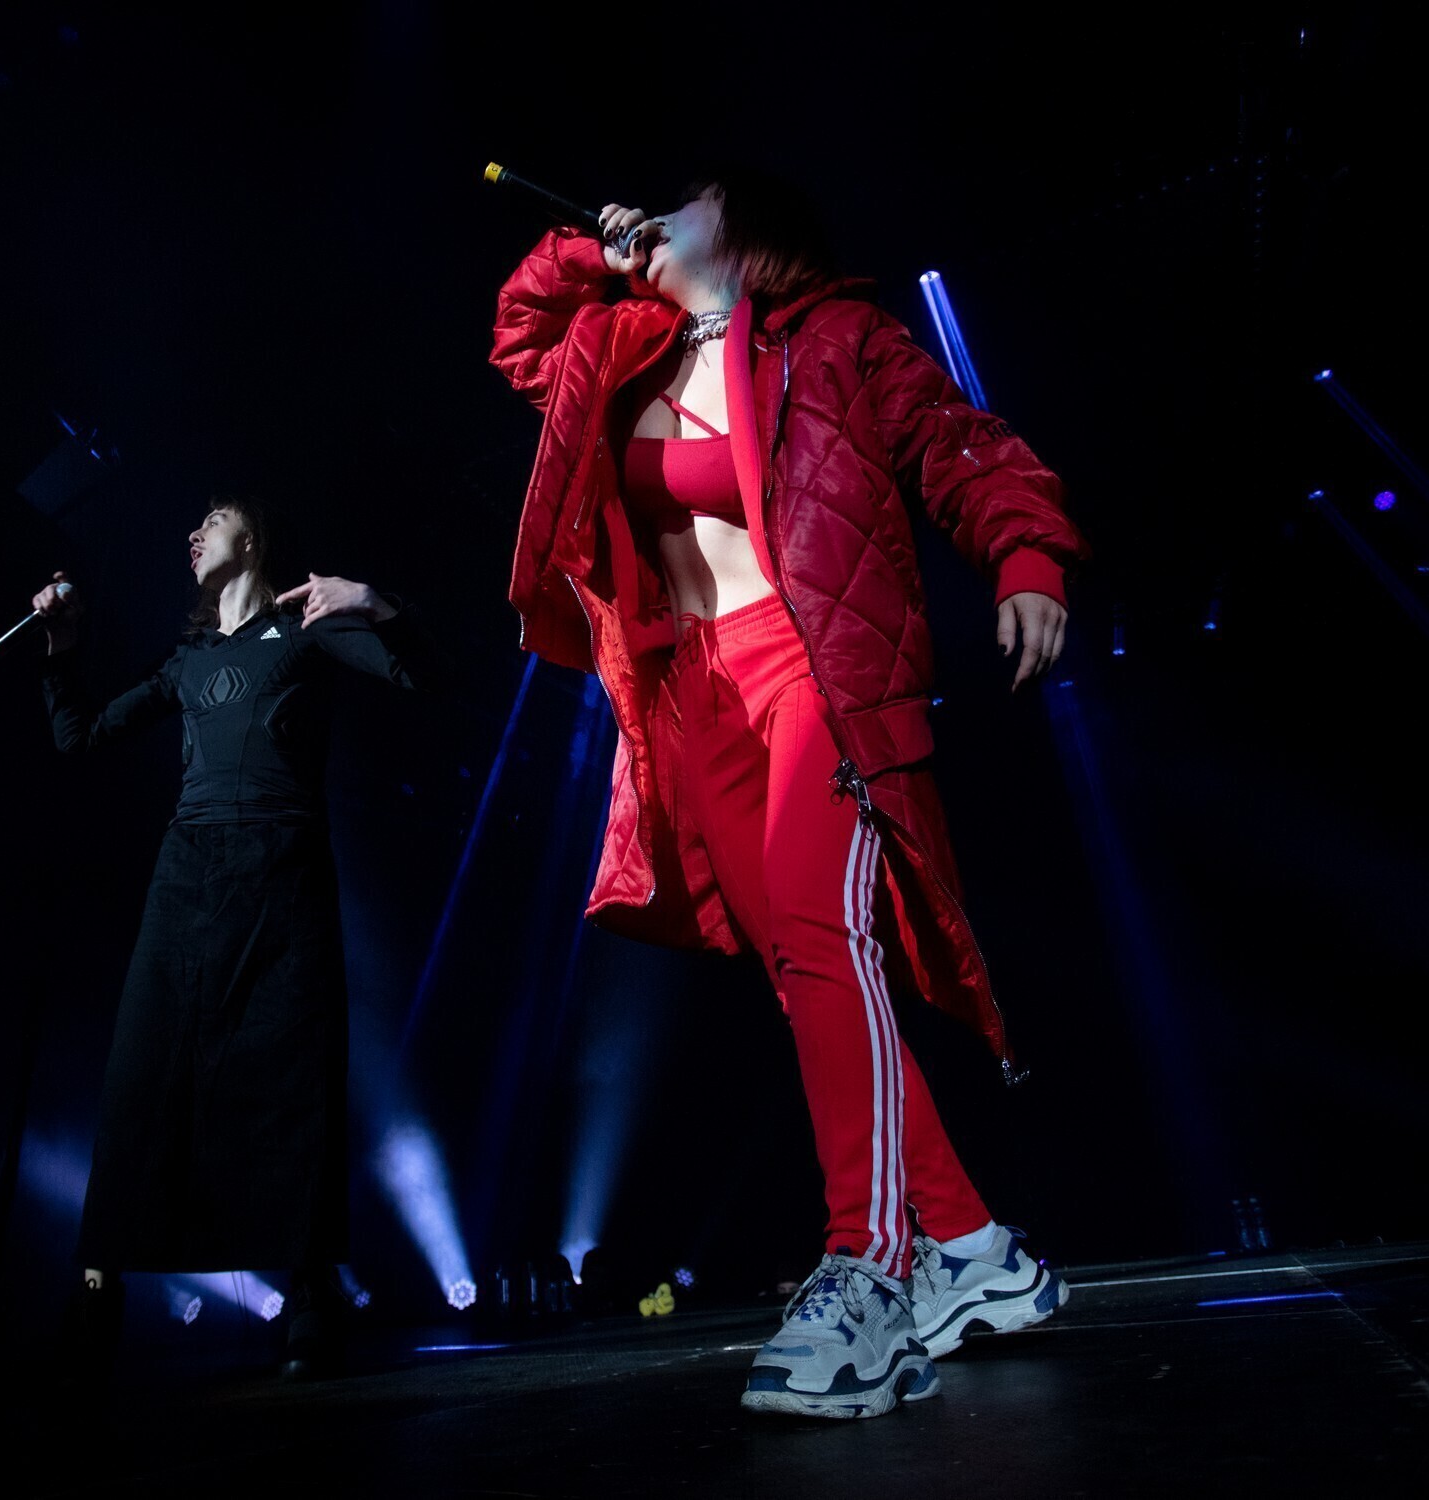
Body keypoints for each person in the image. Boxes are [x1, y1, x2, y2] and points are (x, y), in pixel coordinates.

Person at [490, 172, 1090, 1418]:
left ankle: (869, 1268)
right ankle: (972, 1247)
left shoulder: (838, 341)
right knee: (809, 975)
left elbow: (957, 444)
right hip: (694, 697)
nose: (660, 215)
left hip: (818, 666)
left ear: (748, 233)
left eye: (690, 203)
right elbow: (518, 336)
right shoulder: (623, 349)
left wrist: (1025, 550)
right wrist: (588, 255)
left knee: (825, 942)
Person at [32, 496, 426, 1383]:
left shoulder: (307, 631)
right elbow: (79, 738)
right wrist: (62, 647)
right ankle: (96, 1290)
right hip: (188, 875)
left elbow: (418, 674)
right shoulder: (188, 660)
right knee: (142, 1072)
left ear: (250, 539)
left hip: (281, 866)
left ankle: (311, 1293)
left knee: (292, 1074)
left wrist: (373, 601)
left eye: (210, 520)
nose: (191, 533)